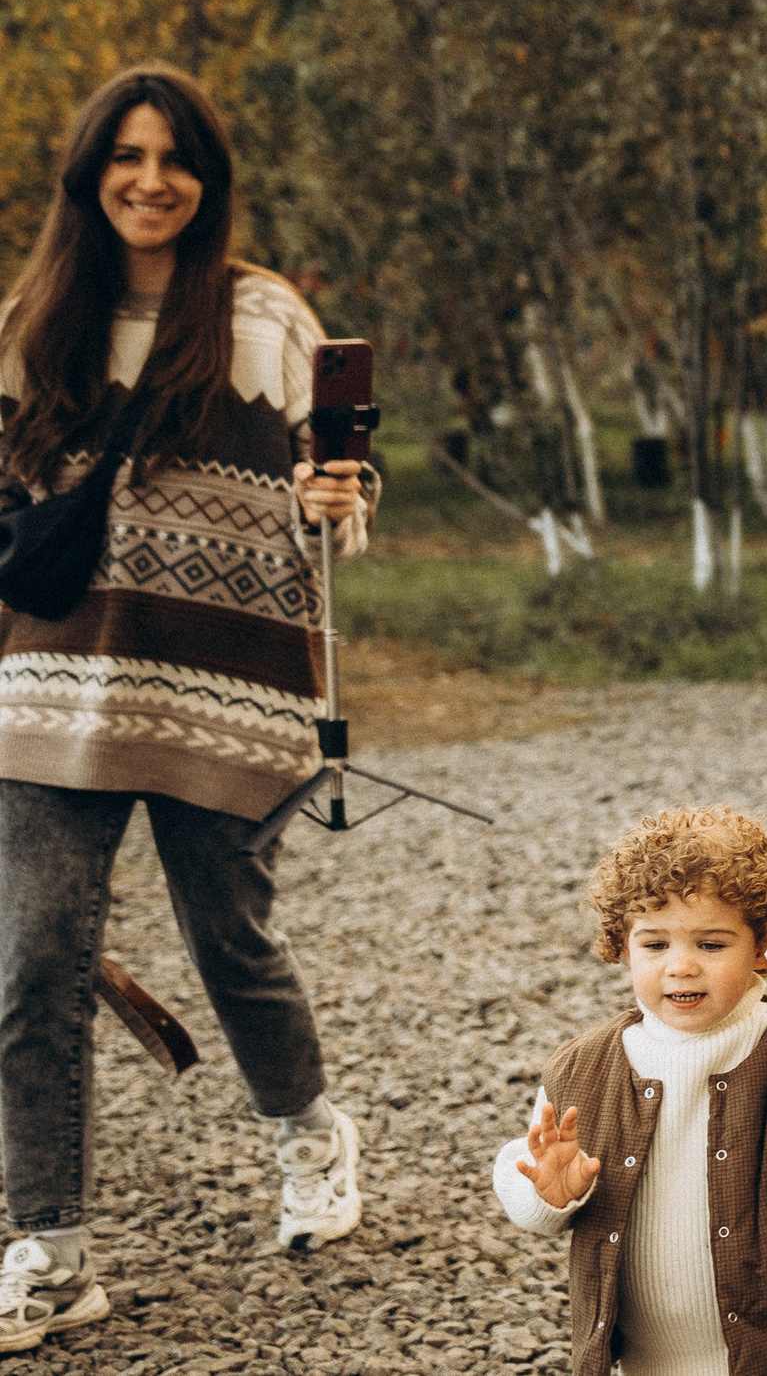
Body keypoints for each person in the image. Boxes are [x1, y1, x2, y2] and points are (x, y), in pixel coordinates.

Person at [0, 66, 380, 1355]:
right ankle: (51, 1251)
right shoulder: (32, 321)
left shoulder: (262, 317)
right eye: (127, 154)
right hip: (52, 685)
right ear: (90, 172)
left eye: (176, 158)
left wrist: (339, 500)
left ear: (208, 181)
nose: (151, 180)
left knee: (231, 941)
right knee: (32, 963)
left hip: (230, 683)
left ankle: (309, 1133)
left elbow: (335, 492)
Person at [492, 805, 767, 1376]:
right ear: (623, 945)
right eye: (655, 945)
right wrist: (549, 1194)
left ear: (764, 946)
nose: (681, 967)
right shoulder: (583, 1068)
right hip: (643, 1361)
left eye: (711, 945)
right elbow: (528, 1181)